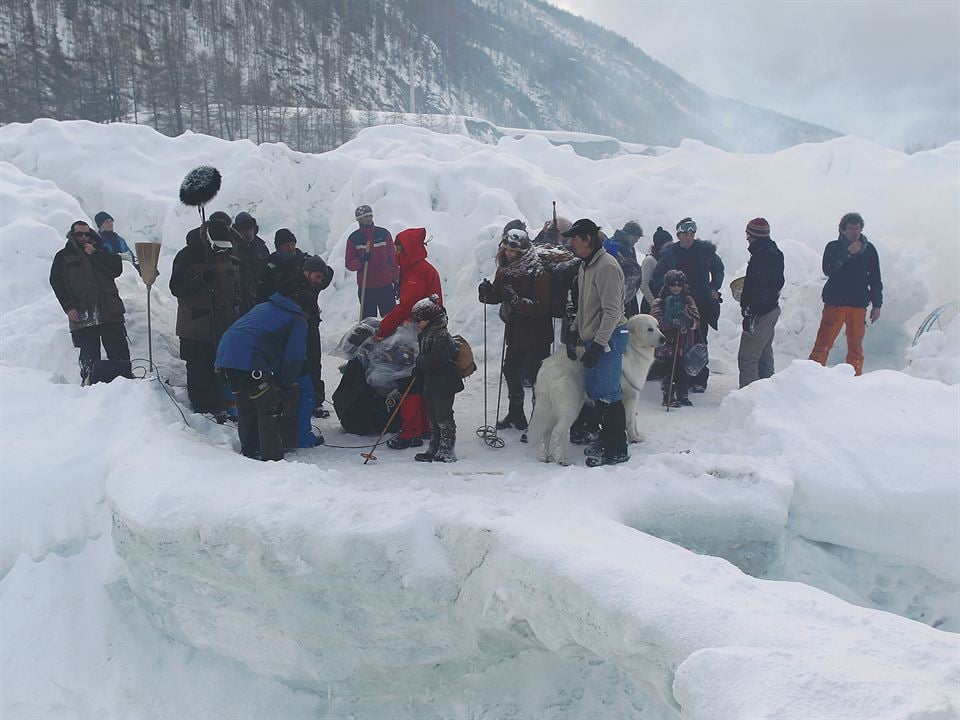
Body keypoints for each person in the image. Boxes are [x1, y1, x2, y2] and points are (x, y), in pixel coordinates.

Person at [562, 218, 630, 467]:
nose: (571, 243)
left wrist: (600, 346)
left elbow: (612, 312)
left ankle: (616, 449)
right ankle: (605, 439)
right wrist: (574, 331)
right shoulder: (586, 266)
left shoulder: (607, 268)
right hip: (595, 337)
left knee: (609, 394)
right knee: (597, 392)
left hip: (610, 336)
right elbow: (585, 305)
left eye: (574, 239)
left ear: (587, 240)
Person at [215, 289, 310, 461]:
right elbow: (294, 358)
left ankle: (250, 450)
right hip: (250, 358)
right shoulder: (298, 319)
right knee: (268, 408)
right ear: (306, 311)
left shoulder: (265, 306)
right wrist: (285, 383)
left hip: (226, 355)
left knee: (245, 406)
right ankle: (272, 458)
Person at [372, 227, 443, 450]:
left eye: (398, 247)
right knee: (418, 380)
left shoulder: (417, 271)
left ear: (407, 249)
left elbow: (406, 307)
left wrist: (383, 329)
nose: (395, 251)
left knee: (407, 379)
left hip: (419, 330)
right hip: (423, 329)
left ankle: (411, 432)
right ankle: (422, 427)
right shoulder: (415, 268)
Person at [478, 227, 553, 433]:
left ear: (523, 251)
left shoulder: (538, 272)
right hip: (516, 331)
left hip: (537, 334)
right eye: (506, 250)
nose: (509, 254)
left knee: (537, 378)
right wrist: (487, 293)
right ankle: (516, 413)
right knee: (510, 370)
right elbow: (498, 295)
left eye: (513, 252)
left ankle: (538, 421)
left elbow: (541, 306)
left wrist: (516, 301)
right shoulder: (505, 269)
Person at [169, 214, 241, 419]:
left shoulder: (227, 256)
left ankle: (221, 405)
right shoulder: (187, 256)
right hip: (196, 326)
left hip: (223, 323)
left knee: (220, 369)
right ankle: (204, 411)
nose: (222, 249)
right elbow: (176, 288)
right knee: (200, 370)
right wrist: (201, 280)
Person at [50, 220, 131, 384]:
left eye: (86, 233)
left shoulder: (101, 249)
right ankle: (89, 387)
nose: (84, 237)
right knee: (89, 357)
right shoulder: (63, 256)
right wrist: (69, 306)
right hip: (82, 312)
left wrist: (95, 253)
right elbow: (56, 282)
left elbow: (117, 269)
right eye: (79, 234)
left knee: (119, 352)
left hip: (109, 310)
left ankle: (126, 384)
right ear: (72, 235)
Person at [651, 217, 724, 392]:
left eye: (691, 234)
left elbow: (718, 269)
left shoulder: (705, 251)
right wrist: (668, 292)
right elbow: (658, 276)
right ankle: (677, 379)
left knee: (699, 341)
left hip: (701, 304)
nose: (688, 237)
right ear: (678, 234)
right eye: (685, 234)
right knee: (678, 342)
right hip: (676, 305)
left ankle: (698, 378)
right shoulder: (670, 253)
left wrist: (714, 287)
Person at [808, 212, 882, 376]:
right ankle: (812, 376)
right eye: (850, 229)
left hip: (858, 305)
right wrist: (847, 253)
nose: (854, 232)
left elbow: (875, 278)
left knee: (856, 346)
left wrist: (877, 305)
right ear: (842, 230)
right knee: (823, 343)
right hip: (835, 303)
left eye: (857, 228)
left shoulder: (869, 250)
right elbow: (828, 269)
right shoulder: (834, 247)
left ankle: (855, 378)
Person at [410, 295, 464, 463]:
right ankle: (434, 446)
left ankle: (447, 449)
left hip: (444, 383)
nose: (417, 323)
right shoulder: (427, 333)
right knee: (432, 417)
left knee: (443, 416)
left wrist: (420, 362)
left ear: (429, 319)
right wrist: (419, 370)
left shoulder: (440, 335)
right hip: (431, 382)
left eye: (419, 320)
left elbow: (437, 359)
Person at [737, 218, 785, 388]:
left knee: (748, 357)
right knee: (764, 354)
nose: (747, 238)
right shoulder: (771, 253)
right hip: (769, 309)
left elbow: (761, 286)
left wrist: (751, 308)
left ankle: (747, 398)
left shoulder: (763, 256)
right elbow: (776, 283)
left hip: (761, 313)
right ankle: (767, 393)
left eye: (748, 234)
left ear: (754, 235)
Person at [651, 270, 700, 407]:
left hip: (682, 342)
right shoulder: (659, 302)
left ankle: (683, 395)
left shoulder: (688, 301)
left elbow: (697, 321)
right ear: (667, 286)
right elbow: (655, 321)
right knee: (666, 370)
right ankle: (668, 396)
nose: (676, 288)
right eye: (673, 285)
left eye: (679, 285)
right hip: (665, 344)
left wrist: (688, 321)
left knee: (681, 369)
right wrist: (669, 323)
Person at [345, 205, 399, 319]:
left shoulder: (383, 234)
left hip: (385, 285)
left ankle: (392, 337)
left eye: (370, 216)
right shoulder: (354, 238)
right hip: (366, 288)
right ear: (359, 219)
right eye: (365, 217)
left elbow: (393, 260)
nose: (369, 219)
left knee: (391, 319)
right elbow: (349, 263)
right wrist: (361, 260)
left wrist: (397, 280)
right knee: (368, 321)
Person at [231, 212, 270, 316]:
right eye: (244, 230)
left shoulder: (261, 248)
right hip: (240, 303)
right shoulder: (232, 250)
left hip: (260, 300)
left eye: (250, 229)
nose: (248, 233)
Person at [604, 221, 644, 317]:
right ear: (631, 234)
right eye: (637, 236)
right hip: (621, 293)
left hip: (619, 292)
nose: (637, 240)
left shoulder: (615, 243)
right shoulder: (622, 247)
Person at [639, 227, 673, 314]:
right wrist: (653, 303)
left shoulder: (667, 260)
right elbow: (643, 284)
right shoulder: (650, 260)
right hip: (651, 306)